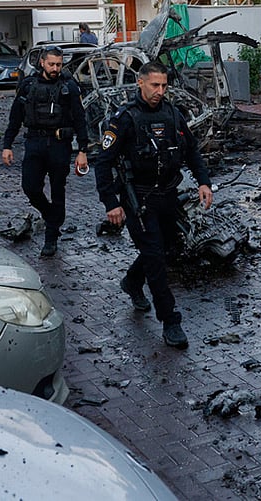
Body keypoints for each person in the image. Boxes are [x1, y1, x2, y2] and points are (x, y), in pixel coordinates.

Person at [93, 61, 213, 350]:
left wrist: (203, 182)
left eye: (164, 86)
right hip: (139, 200)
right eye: (154, 85)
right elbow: (103, 162)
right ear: (140, 83)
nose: (160, 91)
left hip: (169, 196)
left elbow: (192, 150)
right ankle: (171, 321)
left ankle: (133, 281)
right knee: (156, 259)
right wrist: (111, 203)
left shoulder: (172, 114)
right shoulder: (124, 118)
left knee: (170, 247)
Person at [1, 47, 88, 257]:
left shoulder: (69, 87)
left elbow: (79, 119)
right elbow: (15, 116)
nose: (55, 68)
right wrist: (7, 144)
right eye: (51, 64)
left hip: (59, 144)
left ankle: (51, 238)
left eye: (59, 64)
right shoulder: (28, 85)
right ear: (42, 63)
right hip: (35, 141)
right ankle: (52, 216)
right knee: (30, 187)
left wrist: (83, 150)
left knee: (58, 191)